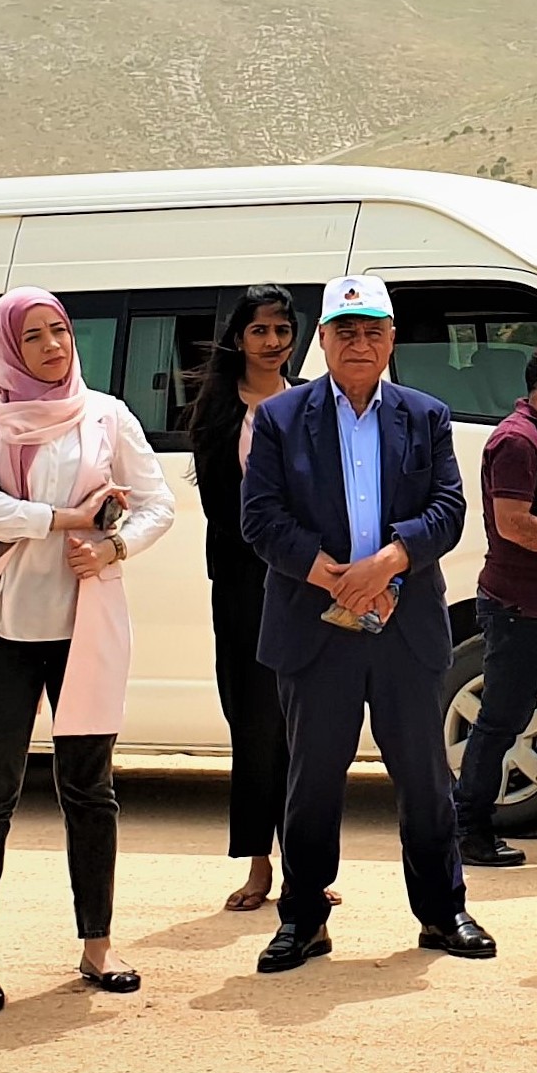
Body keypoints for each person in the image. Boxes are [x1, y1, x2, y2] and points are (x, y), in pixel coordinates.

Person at [242, 275, 492, 971]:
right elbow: (259, 518)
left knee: (423, 777)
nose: (359, 342)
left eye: (372, 330)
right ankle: (304, 918)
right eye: (344, 330)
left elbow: (448, 509)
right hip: (314, 625)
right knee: (312, 780)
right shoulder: (280, 418)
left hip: (404, 627)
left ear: (390, 339)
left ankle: (443, 913)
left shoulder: (427, 415)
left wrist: (387, 562)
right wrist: (336, 578)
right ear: (322, 339)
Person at [0, 286, 175, 1010]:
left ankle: (97, 945)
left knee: (90, 790)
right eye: (35, 336)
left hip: (86, 622)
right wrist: (62, 519)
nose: (52, 346)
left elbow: (157, 501)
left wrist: (113, 544)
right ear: (9, 346)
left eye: (60, 331)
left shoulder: (106, 412)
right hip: (2, 625)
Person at [184, 283, 300, 911]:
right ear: (239, 337)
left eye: (282, 329)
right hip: (243, 581)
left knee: (304, 725)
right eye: (260, 330)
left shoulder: (311, 400)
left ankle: (305, 866)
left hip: (307, 582)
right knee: (254, 723)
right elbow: (220, 508)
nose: (273, 341)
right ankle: (259, 866)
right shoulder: (217, 409)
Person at [453, 338, 537, 869]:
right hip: (521, 608)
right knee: (501, 721)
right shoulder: (517, 440)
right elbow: (513, 525)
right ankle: (470, 832)